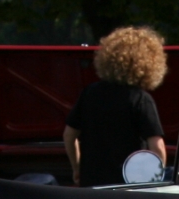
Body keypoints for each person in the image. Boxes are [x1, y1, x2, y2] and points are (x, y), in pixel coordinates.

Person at [62, 26, 167, 186]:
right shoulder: (141, 99)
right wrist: (154, 182)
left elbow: (69, 135)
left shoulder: (89, 93)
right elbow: (157, 148)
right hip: (127, 188)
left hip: (91, 186)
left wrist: (77, 168)